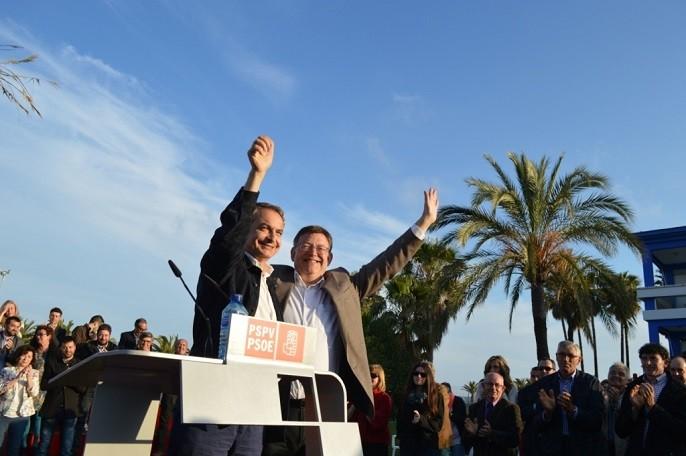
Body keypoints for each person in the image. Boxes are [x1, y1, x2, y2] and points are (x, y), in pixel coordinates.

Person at [266, 187, 438, 454]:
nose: (313, 252)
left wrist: (423, 224)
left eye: (321, 248)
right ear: (292, 253)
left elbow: (386, 265)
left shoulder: (345, 287)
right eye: (306, 246)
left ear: (330, 258)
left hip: (325, 405)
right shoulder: (270, 280)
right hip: (277, 403)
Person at [171, 135, 283, 456]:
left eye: (278, 232)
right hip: (212, 405)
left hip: (253, 406)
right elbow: (229, 238)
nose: (272, 238)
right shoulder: (226, 267)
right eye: (264, 228)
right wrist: (256, 177)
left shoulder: (271, 284)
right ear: (247, 228)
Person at [531, 341, 604, 456]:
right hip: (551, 449)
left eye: (570, 355)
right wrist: (548, 413)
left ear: (579, 360)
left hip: (582, 449)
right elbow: (535, 423)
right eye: (561, 354)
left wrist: (573, 410)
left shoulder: (590, 383)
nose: (565, 359)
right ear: (556, 357)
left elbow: (597, 420)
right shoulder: (545, 383)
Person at [615, 343, 686, 455]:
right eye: (644, 358)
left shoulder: (679, 390)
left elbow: (681, 430)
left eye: (653, 358)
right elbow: (621, 430)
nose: (648, 363)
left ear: (665, 363)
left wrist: (653, 408)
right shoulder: (633, 387)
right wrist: (635, 410)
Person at [36, 336, 85, 456]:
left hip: (70, 410)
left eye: (70, 347)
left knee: (66, 448)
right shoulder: (52, 362)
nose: (68, 350)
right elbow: (43, 385)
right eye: (65, 347)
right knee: (43, 446)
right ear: (60, 348)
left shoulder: (80, 364)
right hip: (51, 408)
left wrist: (68, 379)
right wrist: (59, 378)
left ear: (75, 347)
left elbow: (83, 388)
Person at [463, 372, 522, 456]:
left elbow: (516, 438)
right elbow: (466, 440)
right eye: (490, 384)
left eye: (497, 385)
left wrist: (492, 433)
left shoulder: (511, 409)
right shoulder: (474, 408)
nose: (493, 388)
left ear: (503, 389)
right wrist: (472, 434)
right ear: (483, 386)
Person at [397, 361, 444, 456]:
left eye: (423, 374)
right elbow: (400, 419)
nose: (419, 376)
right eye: (416, 373)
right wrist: (400, 436)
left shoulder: (436, 396)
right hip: (408, 444)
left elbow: (438, 424)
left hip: (427, 445)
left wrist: (421, 419)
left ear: (428, 377)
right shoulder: (406, 395)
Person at [0, 345, 40, 456]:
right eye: (24, 355)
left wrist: (29, 378)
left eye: (29, 357)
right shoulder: (7, 370)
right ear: (18, 355)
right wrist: (17, 377)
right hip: (4, 413)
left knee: (14, 447)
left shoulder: (35, 373)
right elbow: (1, 389)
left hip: (22, 416)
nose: (26, 359)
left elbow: (34, 393)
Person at [352, 364, 392, 456]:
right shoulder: (361, 396)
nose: (369, 377)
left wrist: (365, 405)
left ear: (380, 379)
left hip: (376, 444)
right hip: (359, 442)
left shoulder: (384, 398)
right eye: (367, 374)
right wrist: (355, 402)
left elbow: (379, 422)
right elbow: (349, 418)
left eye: (373, 375)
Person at [27, 325, 56, 450]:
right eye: (37, 334)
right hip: (31, 390)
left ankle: (36, 447)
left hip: (46, 392)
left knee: (39, 421)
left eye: (41, 334)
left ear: (49, 336)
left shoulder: (55, 353)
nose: (38, 336)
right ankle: (24, 448)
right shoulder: (32, 352)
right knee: (28, 421)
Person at [601, 362, 629, 456]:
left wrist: (617, 401)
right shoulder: (599, 394)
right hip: (604, 445)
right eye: (612, 373)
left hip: (623, 445)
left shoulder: (631, 396)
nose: (616, 376)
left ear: (627, 380)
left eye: (621, 374)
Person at [517, 366, 543, 456]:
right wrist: (535, 407)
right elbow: (521, 413)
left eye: (538, 376)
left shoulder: (549, 390)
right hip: (530, 438)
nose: (535, 379)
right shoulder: (523, 393)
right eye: (533, 376)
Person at [441, 382, 466, 456]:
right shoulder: (440, 403)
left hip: (457, 440)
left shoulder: (458, 401)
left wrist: (449, 414)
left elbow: (461, 419)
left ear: (449, 392)